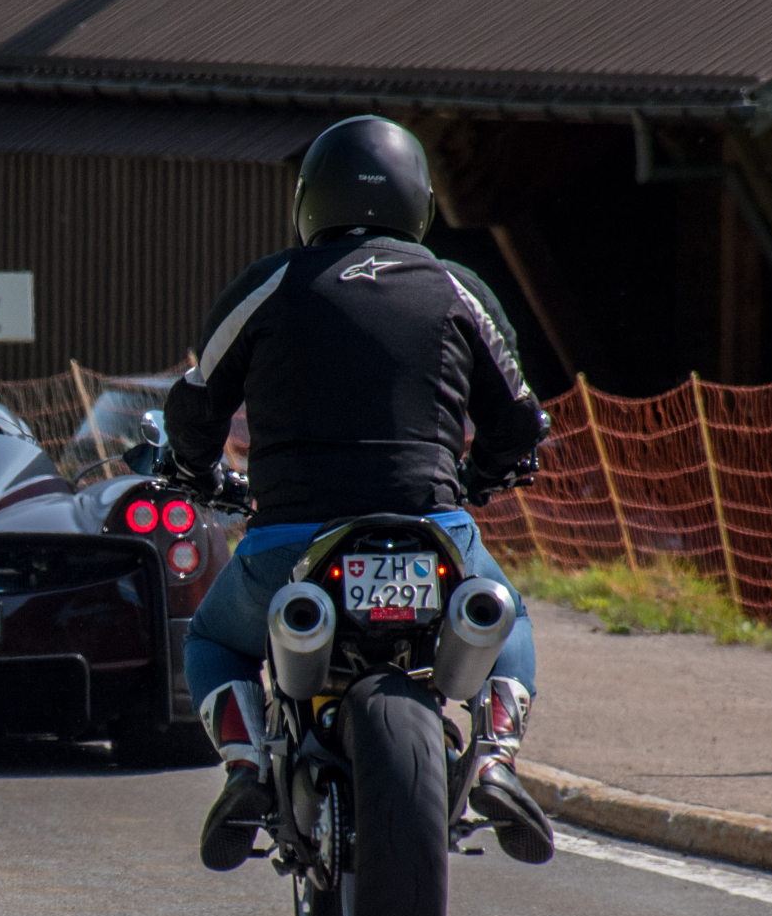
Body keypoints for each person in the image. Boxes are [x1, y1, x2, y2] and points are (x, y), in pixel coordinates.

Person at [165, 116, 555, 870]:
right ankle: (496, 756)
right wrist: (478, 478)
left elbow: (197, 402)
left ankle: (247, 764)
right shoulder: (453, 285)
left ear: (310, 200)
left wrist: (190, 468)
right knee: (506, 620)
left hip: (291, 544)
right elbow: (518, 416)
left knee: (212, 640)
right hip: (434, 531)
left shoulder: (273, 283)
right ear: (421, 201)